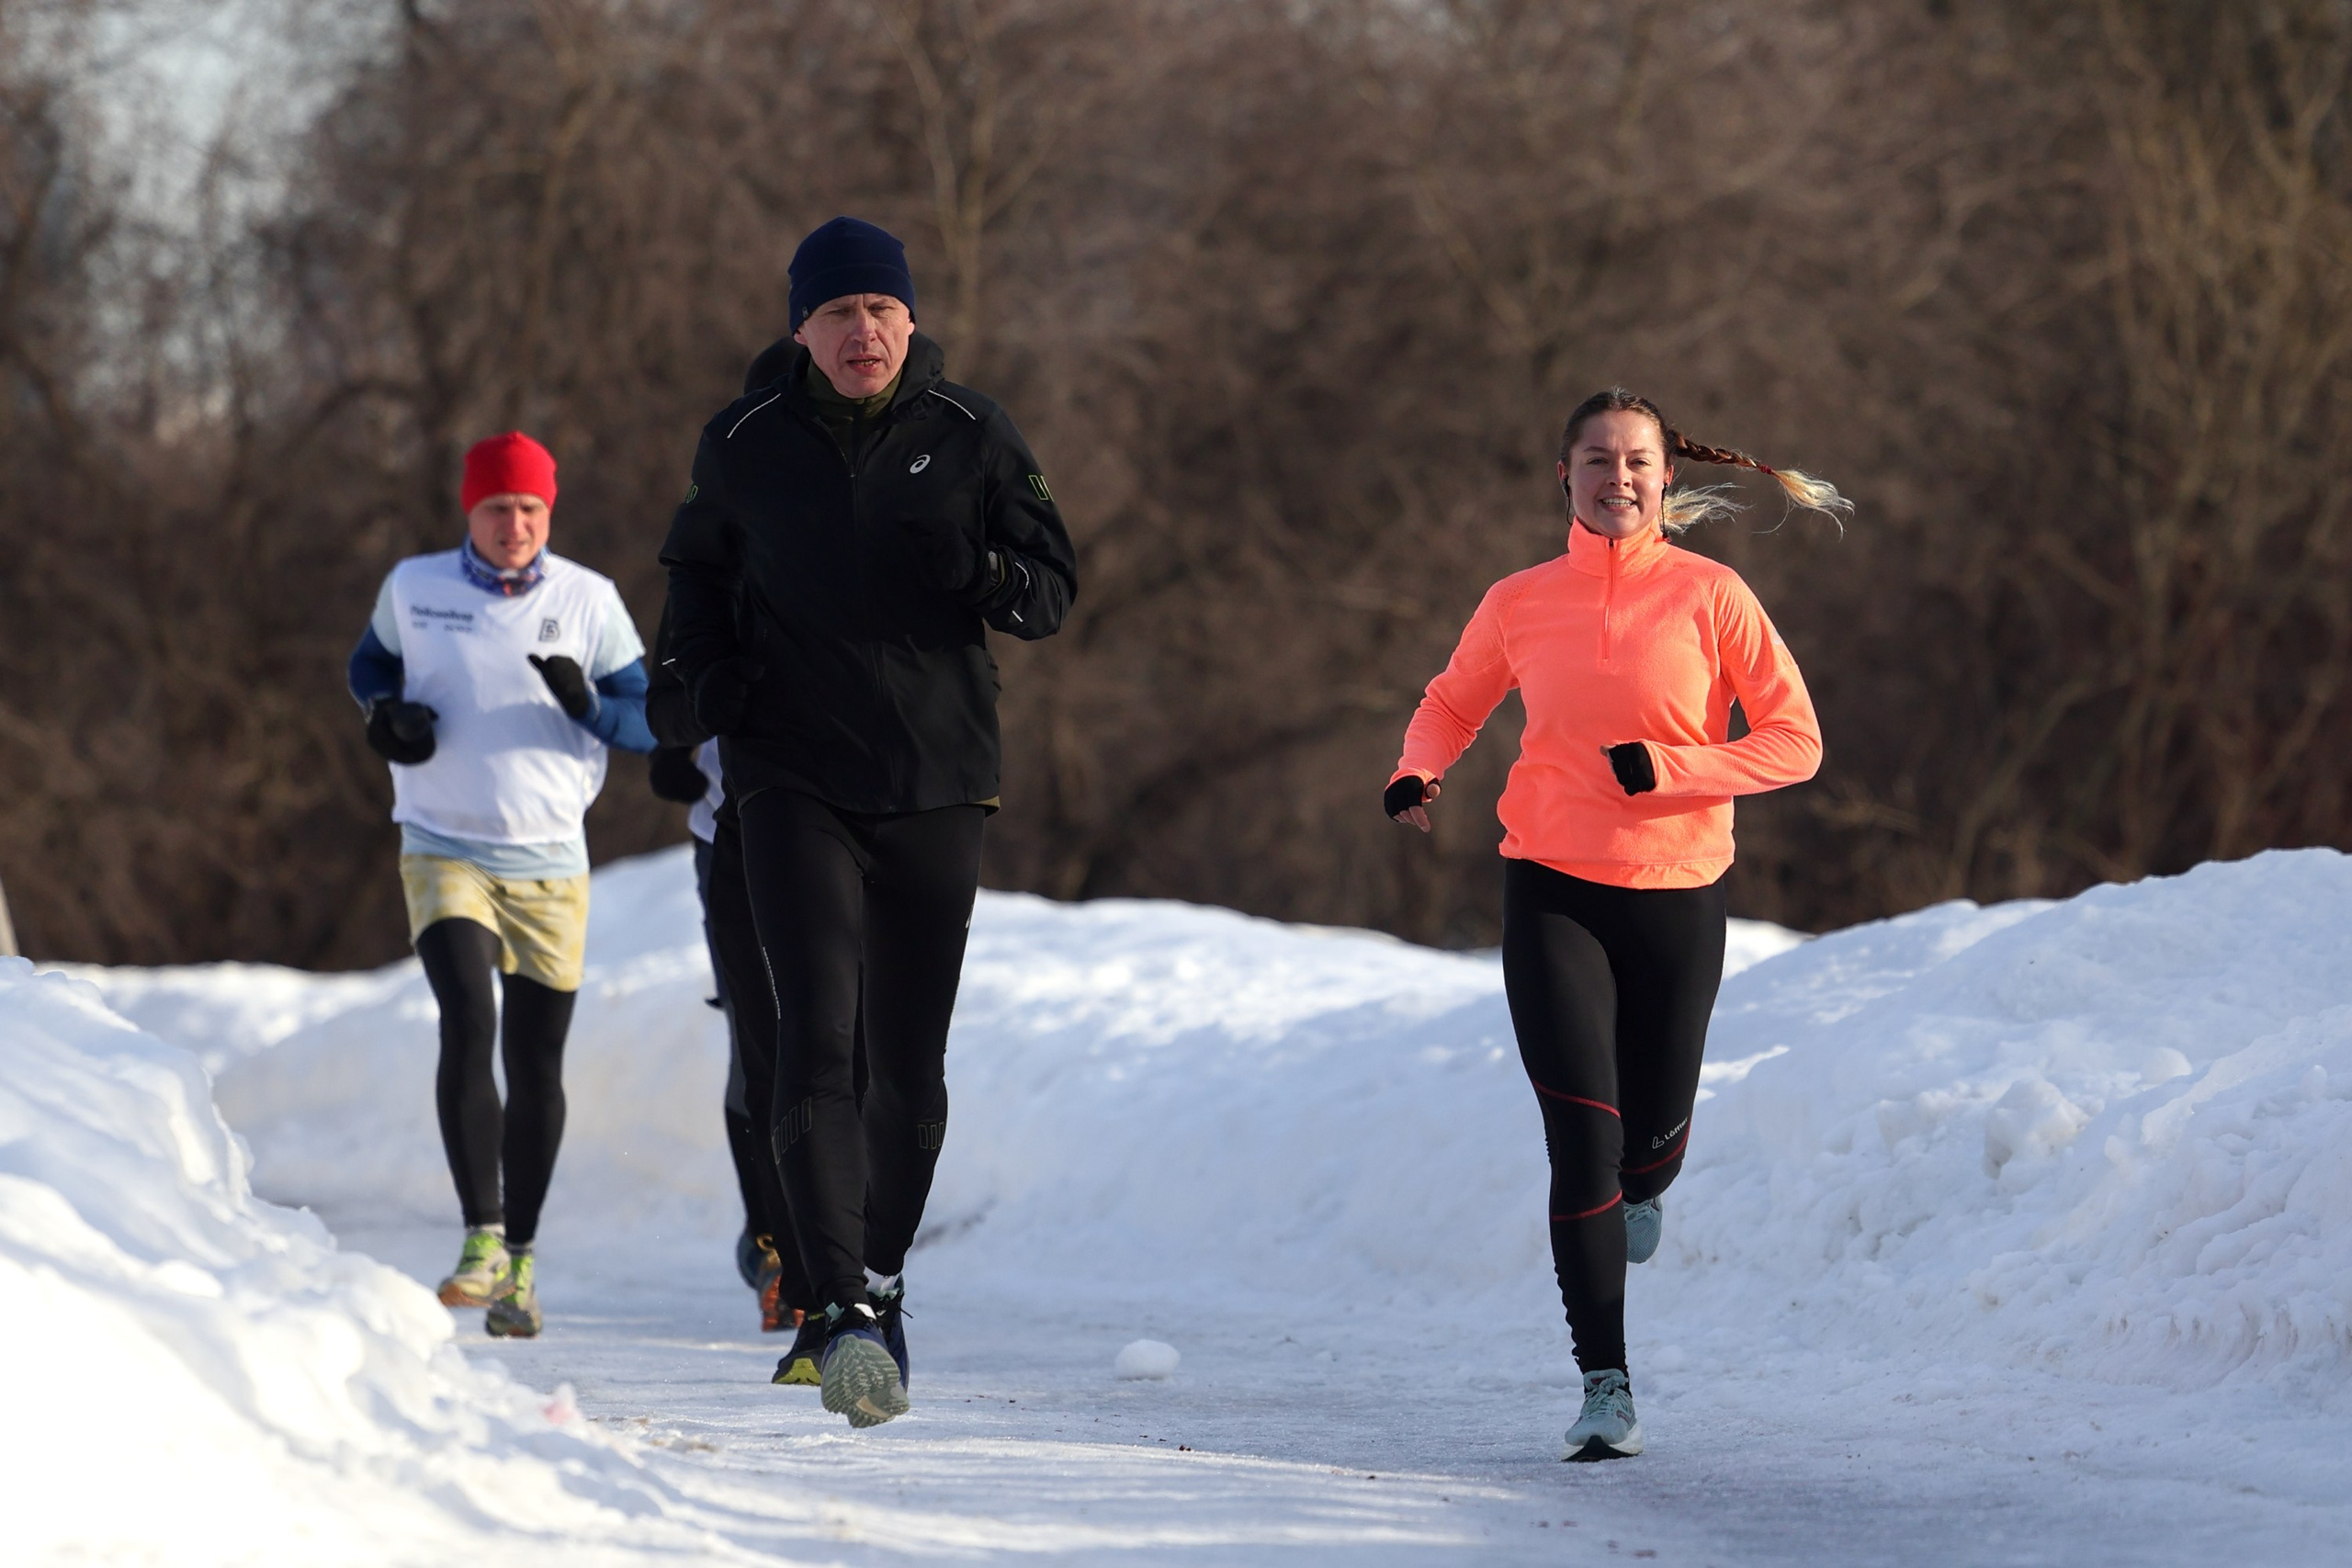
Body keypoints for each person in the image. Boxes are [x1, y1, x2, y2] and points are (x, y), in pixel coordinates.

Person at [660, 216, 1077, 1427]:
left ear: (909, 320)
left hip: (940, 779)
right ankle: (833, 1299)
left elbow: (1049, 589)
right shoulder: (743, 441)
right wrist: (697, 686)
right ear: (801, 326)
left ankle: (882, 1277)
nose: (862, 332)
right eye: (837, 313)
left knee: (908, 1060)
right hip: (792, 780)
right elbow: (695, 582)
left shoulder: (970, 432)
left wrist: (978, 574)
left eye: (880, 312)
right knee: (813, 1040)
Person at [1386, 389, 1843, 1461]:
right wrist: (1417, 768)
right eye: (1596, 461)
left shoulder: (1713, 595)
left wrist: (1676, 770)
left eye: (1636, 460)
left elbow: (1795, 740)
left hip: (1679, 888)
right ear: (1567, 479)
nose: (1618, 478)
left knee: (1648, 1143)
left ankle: (1652, 1173)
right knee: (1578, 1141)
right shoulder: (1519, 599)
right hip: (1549, 882)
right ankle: (1605, 1384)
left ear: (1666, 476)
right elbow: (1454, 701)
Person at [349, 432, 655, 1337]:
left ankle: (521, 1262)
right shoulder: (416, 589)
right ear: (468, 512)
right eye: (496, 508)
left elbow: (649, 723)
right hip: (442, 843)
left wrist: (589, 707)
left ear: (548, 515)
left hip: (551, 862)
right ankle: (479, 1240)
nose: (513, 524)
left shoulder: (588, 600)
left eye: (529, 509)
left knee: (534, 1060)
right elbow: (369, 666)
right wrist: (386, 717)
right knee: (467, 1021)